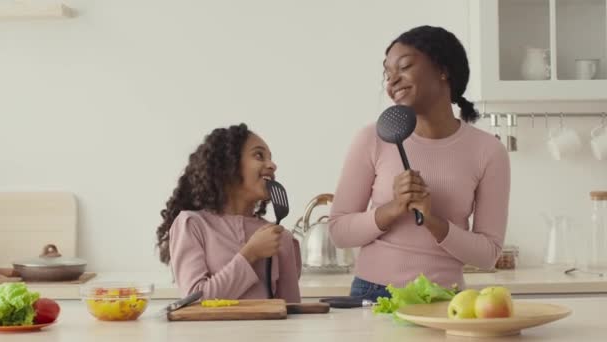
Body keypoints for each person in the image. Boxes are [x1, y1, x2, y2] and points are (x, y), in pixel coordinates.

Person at [329, 26, 510, 301]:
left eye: (403, 67)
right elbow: (339, 231)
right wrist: (393, 208)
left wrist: (433, 221)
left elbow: (488, 254)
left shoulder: (489, 151)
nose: (392, 81)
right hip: (373, 295)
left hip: (445, 299)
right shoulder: (371, 138)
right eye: (387, 74)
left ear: (442, 69)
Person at [156, 123, 301, 302]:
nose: (272, 165)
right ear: (228, 165)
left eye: (270, 158)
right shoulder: (192, 225)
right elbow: (193, 301)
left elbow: (291, 310)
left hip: (268, 331)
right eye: (259, 155)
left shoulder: (280, 237)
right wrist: (250, 254)